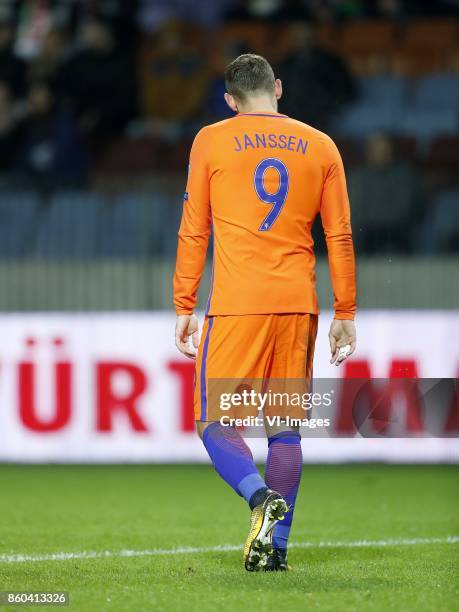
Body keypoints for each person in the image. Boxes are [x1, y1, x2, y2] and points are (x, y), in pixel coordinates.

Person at [173, 54, 356, 572]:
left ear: (230, 100)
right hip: (298, 304)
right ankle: (273, 552)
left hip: (237, 306)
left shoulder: (211, 139)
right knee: (284, 430)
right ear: (278, 88)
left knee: (214, 423)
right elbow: (339, 234)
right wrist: (346, 309)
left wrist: (184, 302)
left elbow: (195, 228)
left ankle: (258, 498)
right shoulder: (321, 145)